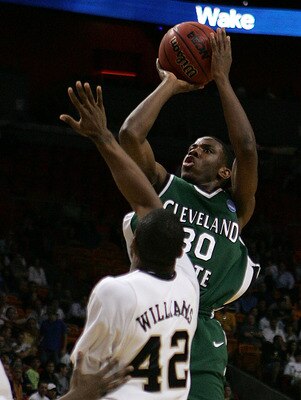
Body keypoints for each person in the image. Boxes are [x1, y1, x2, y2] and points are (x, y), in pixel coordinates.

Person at [118, 28, 260, 400]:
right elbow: (130, 135)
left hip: (201, 339)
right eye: (192, 147)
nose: (193, 151)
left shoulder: (236, 208)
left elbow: (246, 148)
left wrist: (222, 80)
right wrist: (169, 84)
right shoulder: (164, 187)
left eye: (207, 149)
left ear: (225, 172)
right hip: (152, 318)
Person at [60, 81, 199, 399]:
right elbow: (150, 205)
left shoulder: (115, 292)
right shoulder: (189, 285)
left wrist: (102, 136)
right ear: (180, 252)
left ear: (133, 244)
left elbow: (84, 379)